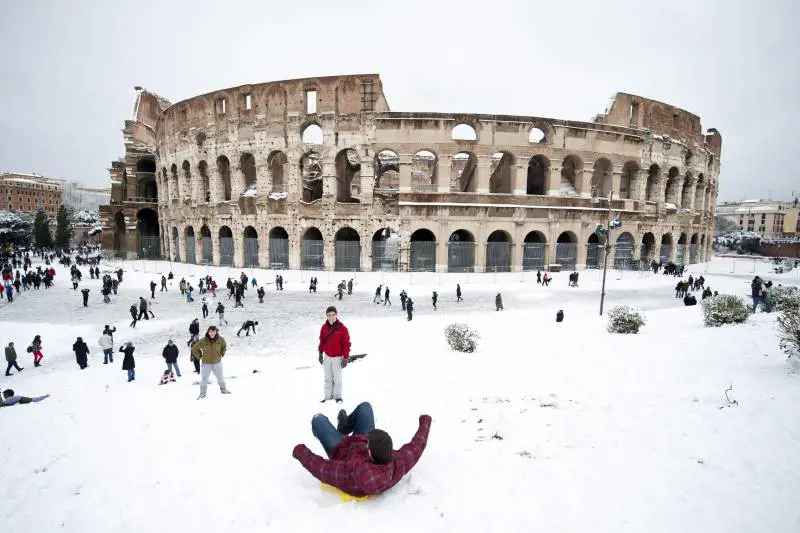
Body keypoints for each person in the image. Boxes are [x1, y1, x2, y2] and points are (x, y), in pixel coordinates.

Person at [292, 402, 432, 497]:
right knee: (365, 407)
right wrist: (425, 421)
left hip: (341, 449)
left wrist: (301, 452)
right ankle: (344, 425)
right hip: (358, 440)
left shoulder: (351, 472)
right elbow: (417, 445)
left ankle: (337, 432)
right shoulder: (397, 461)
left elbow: (322, 468)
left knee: (318, 420)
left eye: (369, 442)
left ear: (369, 452)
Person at [318, 306, 351, 403]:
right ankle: (328, 397)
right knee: (327, 379)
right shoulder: (324, 328)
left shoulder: (342, 328)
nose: (331, 317)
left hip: (337, 358)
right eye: (329, 315)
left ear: (336, 315)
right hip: (327, 357)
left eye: (333, 315)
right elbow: (322, 341)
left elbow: (346, 344)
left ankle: (337, 397)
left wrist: (345, 358)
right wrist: (320, 353)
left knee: (337, 379)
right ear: (326, 316)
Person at [191, 326, 230, 399]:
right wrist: (200, 356)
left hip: (217, 362)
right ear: (208, 332)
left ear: (216, 332)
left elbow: (224, 346)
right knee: (204, 379)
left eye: (214, 332)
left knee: (220, 377)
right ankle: (202, 393)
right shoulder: (203, 340)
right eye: (211, 332)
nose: (212, 334)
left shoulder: (220, 339)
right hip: (206, 363)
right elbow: (194, 348)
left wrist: (222, 353)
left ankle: (223, 390)